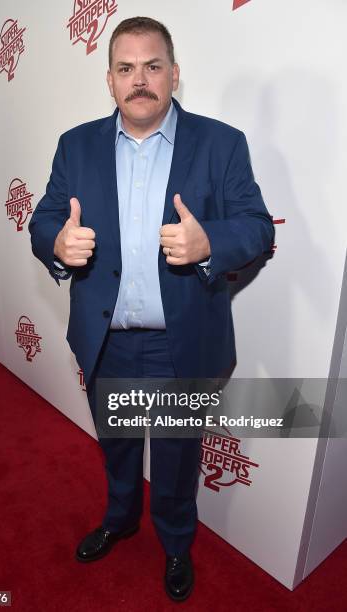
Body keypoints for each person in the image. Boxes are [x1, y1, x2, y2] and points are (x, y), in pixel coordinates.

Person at [28, 16, 274, 602]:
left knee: (175, 458)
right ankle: (119, 519)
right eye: (126, 68)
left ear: (174, 74)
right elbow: (43, 220)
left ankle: (175, 543)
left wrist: (210, 241)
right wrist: (57, 244)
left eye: (153, 66)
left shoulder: (222, 143)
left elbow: (257, 226)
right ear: (109, 80)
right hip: (106, 339)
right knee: (114, 444)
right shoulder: (76, 144)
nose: (141, 80)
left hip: (178, 343)